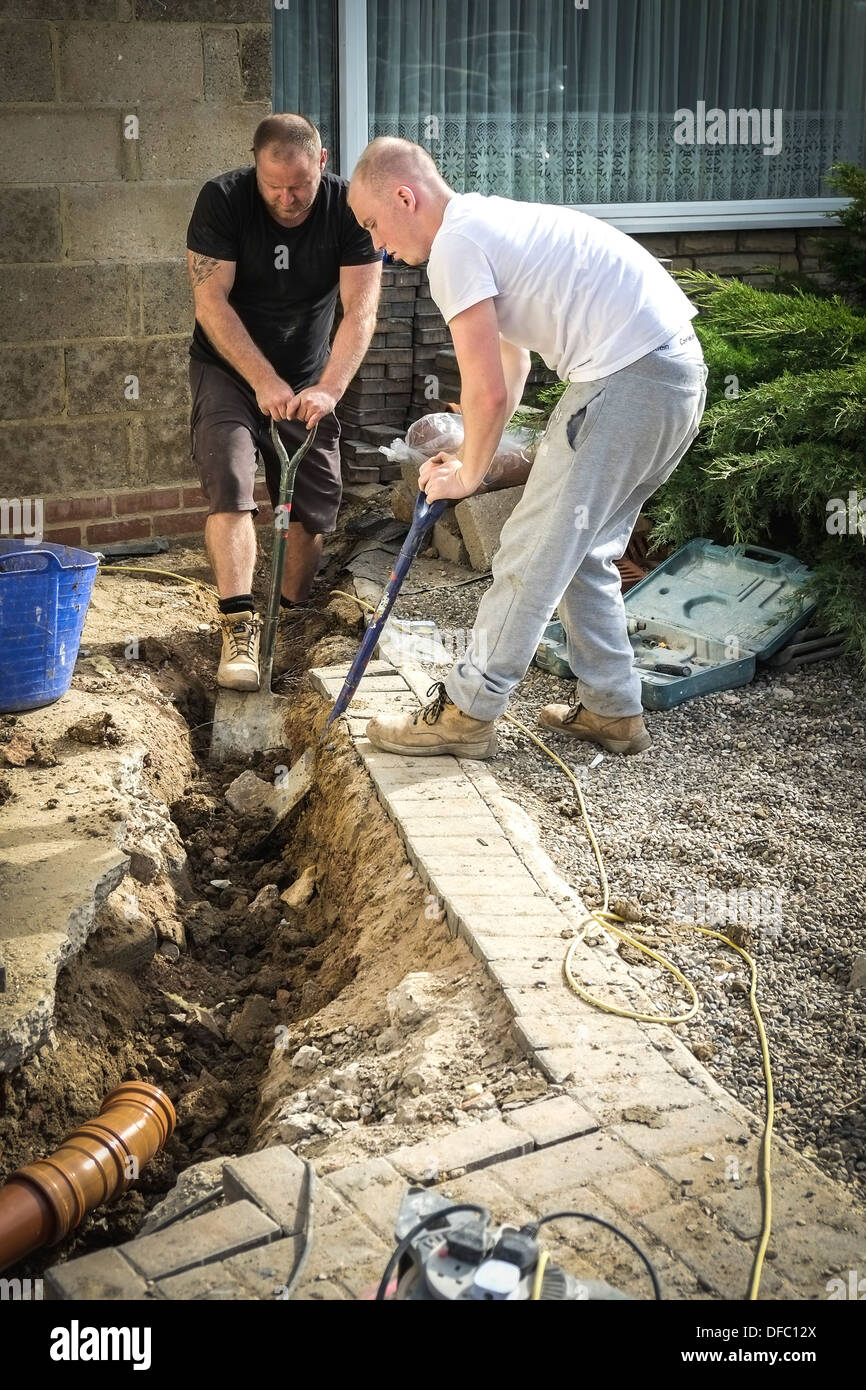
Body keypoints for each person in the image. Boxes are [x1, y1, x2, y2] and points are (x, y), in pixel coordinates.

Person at [348, 138, 708, 758]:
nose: (378, 245)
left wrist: (466, 478)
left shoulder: (456, 248)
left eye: (374, 223)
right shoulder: (485, 225)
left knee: (528, 549)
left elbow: (486, 394)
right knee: (583, 550)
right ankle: (613, 710)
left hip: (627, 379)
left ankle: (466, 712)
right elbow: (508, 373)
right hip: (671, 377)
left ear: (405, 196)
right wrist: (470, 462)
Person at [186, 113, 382, 690]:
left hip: (308, 373)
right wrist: (263, 380)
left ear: (321, 162)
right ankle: (239, 626)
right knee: (231, 482)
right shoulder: (222, 201)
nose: (287, 198)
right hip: (228, 367)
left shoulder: (349, 209)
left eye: (299, 185)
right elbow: (210, 303)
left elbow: (361, 309)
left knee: (315, 505)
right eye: (274, 187)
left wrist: (327, 388)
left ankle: (292, 618)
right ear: (256, 167)